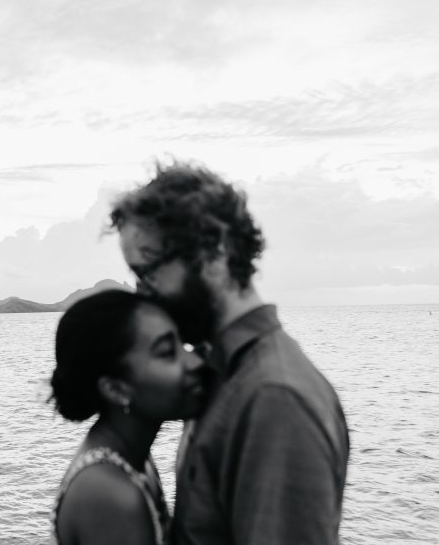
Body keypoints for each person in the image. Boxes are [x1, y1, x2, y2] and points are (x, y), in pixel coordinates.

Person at [110, 161, 349, 545]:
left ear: (214, 252)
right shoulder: (223, 374)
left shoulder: (274, 399)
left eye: (150, 272)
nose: (143, 294)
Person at [50, 289, 208, 545]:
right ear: (116, 390)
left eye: (182, 344)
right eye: (168, 352)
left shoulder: (135, 457)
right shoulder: (109, 494)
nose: (193, 361)